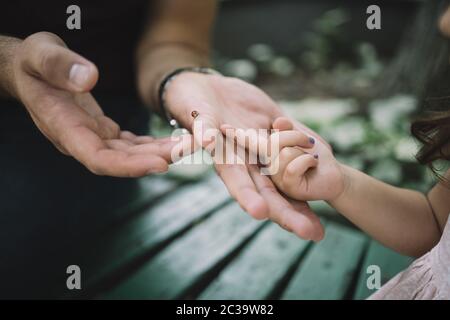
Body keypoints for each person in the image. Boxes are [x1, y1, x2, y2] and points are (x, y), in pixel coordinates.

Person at [0, 1, 325, 297]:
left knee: (42, 242)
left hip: (107, 121)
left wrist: (182, 81)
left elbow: (175, 37)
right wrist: (9, 62)